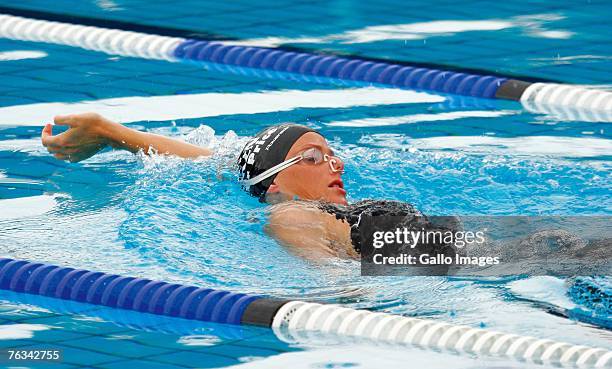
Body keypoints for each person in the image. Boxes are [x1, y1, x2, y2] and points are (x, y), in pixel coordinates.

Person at [41, 113, 455, 262]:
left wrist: (110, 132)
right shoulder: (292, 212)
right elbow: (326, 272)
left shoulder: (291, 195)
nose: (335, 163)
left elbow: (223, 162)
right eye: (313, 156)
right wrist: (347, 297)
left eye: (331, 154)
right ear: (276, 183)